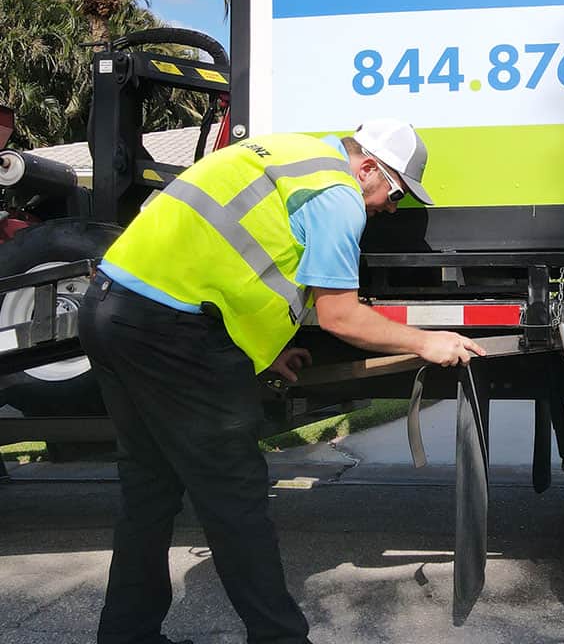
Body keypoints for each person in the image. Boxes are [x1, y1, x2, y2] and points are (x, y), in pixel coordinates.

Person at [78, 117, 486, 644]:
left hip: (110, 309)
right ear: (368, 168)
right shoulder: (337, 195)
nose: (390, 207)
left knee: (149, 491)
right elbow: (341, 317)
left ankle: (126, 635)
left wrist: (265, 350)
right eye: (396, 193)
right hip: (167, 332)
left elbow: (229, 257)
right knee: (234, 495)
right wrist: (427, 342)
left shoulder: (294, 155)